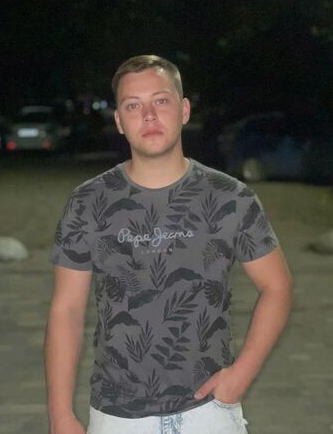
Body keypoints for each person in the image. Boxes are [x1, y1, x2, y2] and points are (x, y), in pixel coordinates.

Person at [44, 55, 293, 434]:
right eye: (133, 106)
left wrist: (239, 377)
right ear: (119, 121)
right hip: (116, 417)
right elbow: (66, 311)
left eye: (161, 101)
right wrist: (60, 414)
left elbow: (277, 287)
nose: (149, 116)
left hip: (209, 413)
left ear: (184, 110)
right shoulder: (88, 202)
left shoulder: (230, 197)